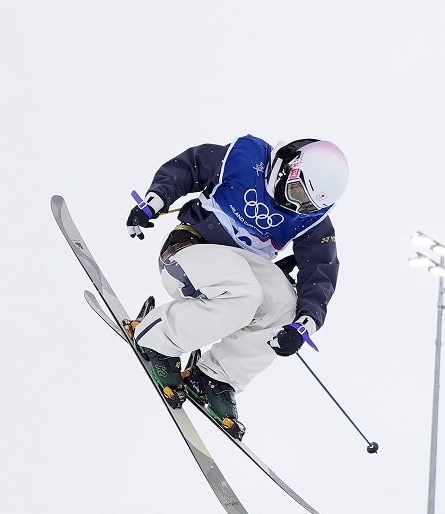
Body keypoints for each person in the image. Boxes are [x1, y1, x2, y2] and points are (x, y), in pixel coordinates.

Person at [124, 135, 349, 433]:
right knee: (245, 294)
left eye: (305, 206)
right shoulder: (245, 158)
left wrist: (305, 323)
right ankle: (155, 337)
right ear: (287, 167)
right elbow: (190, 166)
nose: (294, 206)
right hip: (188, 251)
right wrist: (156, 198)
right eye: (295, 192)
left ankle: (215, 376)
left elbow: (321, 268)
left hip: (238, 270)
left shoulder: (311, 220)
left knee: (284, 306)